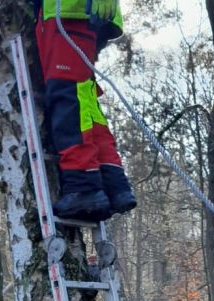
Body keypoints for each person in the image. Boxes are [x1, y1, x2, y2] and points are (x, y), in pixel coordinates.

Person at [34, 0, 137, 221]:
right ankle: (112, 182)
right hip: (78, 12)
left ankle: (84, 183)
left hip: (71, 11)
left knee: (68, 95)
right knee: (83, 95)